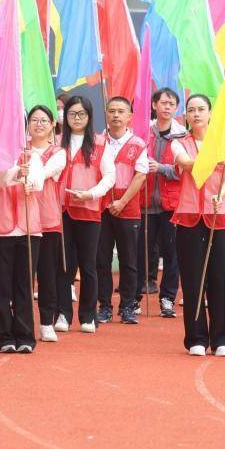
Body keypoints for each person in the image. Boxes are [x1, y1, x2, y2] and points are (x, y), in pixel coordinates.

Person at [171, 94, 225, 357]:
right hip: (189, 217)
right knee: (193, 279)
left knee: (222, 279)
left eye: (201, 109)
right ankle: (196, 337)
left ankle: (222, 339)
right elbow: (186, 164)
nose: (196, 114)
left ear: (210, 114)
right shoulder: (180, 143)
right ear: (186, 115)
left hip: (219, 216)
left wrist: (223, 194)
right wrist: (213, 161)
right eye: (191, 110)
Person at [0, 127, 46, 354]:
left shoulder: (32, 156)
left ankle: (25, 335)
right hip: (0, 228)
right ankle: (4, 336)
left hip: (28, 228)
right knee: (0, 286)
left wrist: (30, 182)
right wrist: (17, 172)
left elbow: (39, 181)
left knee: (24, 285)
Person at [57, 96, 116, 334]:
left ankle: (88, 315)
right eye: (72, 113)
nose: (77, 118)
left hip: (89, 211)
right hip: (61, 210)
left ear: (89, 117)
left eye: (81, 114)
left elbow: (110, 176)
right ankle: (63, 313)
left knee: (88, 265)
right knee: (64, 265)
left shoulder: (101, 144)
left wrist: (91, 194)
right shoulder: (57, 142)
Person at [96, 97, 149, 326]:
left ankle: (127, 306)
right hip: (101, 208)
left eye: (121, 111)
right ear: (106, 114)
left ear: (129, 116)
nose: (116, 115)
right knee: (102, 260)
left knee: (129, 260)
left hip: (128, 209)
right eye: (111, 111)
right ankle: (104, 306)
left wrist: (122, 201)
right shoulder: (97, 142)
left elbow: (140, 176)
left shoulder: (138, 144)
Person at [19, 105, 67, 343]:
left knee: (47, 274)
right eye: (34, 120)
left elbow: (47, 172)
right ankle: (23, 322)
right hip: (22, 218)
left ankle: (47, 322)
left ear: (52, 125)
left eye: (44, 121)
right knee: (23, 275)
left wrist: (27, 177)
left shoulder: (58, 152)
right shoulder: (20, 150)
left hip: (47, 218)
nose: (38, 124)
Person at [142, 88, 187, 318]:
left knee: (172, 255)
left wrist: (160, 168)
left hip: (172, 205)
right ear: (154, 104)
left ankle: (167, 298)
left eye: (172, 104)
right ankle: (134, 298)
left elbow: (184, 171)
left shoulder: (183, 136)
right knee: (141, 252)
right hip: (145, 202)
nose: (167, 107)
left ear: (176, 108)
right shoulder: (143, 132)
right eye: (163, 103)